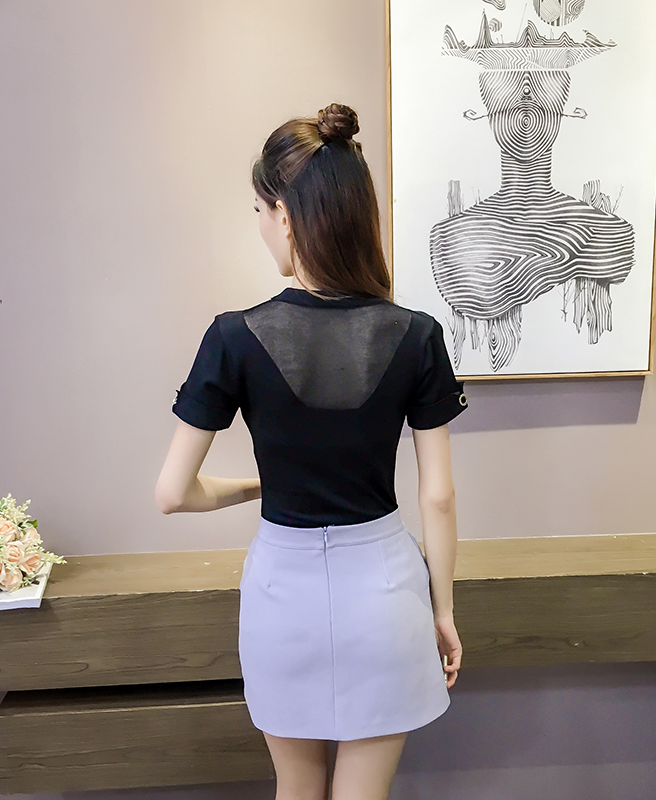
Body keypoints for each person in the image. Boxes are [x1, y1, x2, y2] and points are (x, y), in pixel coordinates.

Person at [155, 103, 467, 800]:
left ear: (286, 216)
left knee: (295, 785)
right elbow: (439, 496)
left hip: (282, 595)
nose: (261, 226)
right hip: (385, 593)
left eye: (260, 211)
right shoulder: (417, 334)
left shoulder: (232, 336)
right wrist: (442, 611)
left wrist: (259, 486)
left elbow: (173, 494)